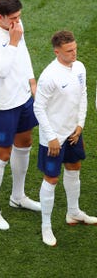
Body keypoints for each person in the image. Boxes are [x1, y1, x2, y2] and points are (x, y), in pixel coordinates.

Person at [0, 0, 40, 231]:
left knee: (25, 142)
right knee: (1, 154)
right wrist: (13, 41)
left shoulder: (16, 25)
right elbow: (2, 70)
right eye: (12, 18)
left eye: (19, 17)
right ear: (0, 17)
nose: (17, 22)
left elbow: (22, 54)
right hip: (2, 103)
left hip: (23, 96)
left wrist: (32, 81)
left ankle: (18, 196)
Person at [33, 30, 96, 246]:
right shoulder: (49, 76)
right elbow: (38, 108)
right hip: (53, 137)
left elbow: (83, 95)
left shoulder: (79, 67)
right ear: (57, 52)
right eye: (69, 51)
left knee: (74, 167)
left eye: (75, 49)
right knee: (51, 178)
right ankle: (46, 227)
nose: (74, 53)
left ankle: (73, 212)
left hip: (73, 132)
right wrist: (51, 137)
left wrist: (80, 125)